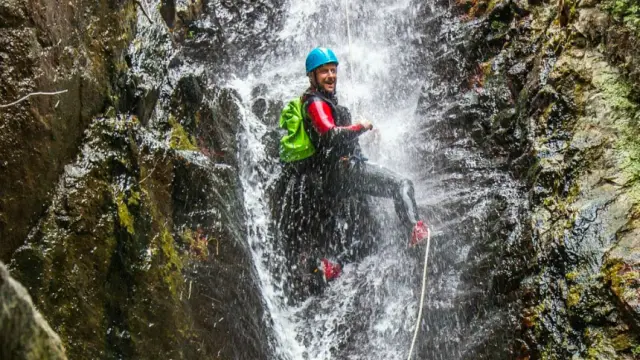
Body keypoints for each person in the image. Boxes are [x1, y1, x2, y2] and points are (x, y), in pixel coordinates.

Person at [277, 47, 430, 300]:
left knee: (364, 234)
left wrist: (366, 135)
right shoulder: (314, 102)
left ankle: (332, 265)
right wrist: (362, 126)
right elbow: (330, 134)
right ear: (312, 76)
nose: (330, 75)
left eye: (333, 70)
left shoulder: (324, 102)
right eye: (324, 71)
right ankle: (416, 228)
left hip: (333, 178)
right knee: (402, 184)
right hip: (343, 172)